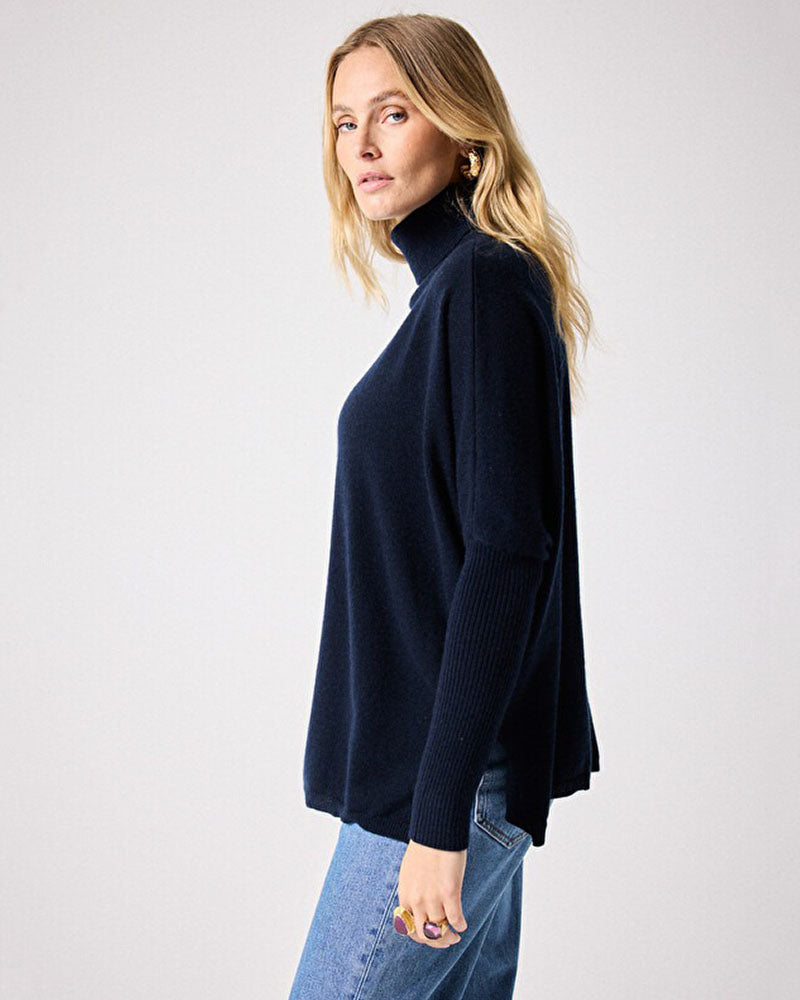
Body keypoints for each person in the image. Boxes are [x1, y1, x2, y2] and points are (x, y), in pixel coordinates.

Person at [289, 13, 601, 999]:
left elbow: (508, 551)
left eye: (392, 113)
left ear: (464, 131)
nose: (362, 146)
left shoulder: (483, 286)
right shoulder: (459, 295)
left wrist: (435, 819)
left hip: (443, 779)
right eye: (345, 123)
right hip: (451, 773)